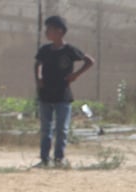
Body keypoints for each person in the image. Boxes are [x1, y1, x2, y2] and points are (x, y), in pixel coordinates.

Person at [34, 15, 95, 168]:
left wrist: (76, 75)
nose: (47, 32)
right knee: (46, 129)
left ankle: (59, 159)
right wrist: (39, 78)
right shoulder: (45, 50)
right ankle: (44, 159)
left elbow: (89, 61)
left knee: (62, 129)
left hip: (62, 95)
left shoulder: (69, 50)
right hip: (45, 94)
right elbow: (37, 64)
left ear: (60, 31)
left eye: (50, 29)